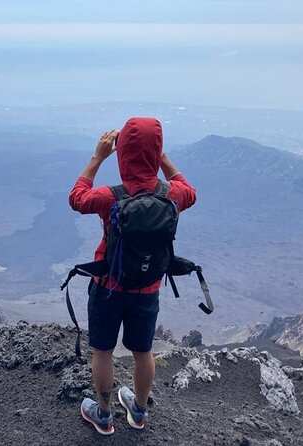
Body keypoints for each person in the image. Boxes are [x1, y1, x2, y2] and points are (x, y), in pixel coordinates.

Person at [68, 117, 197, 435]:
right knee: (143, 352)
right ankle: (138, 412)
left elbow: (77, 198)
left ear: (122, 153)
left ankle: (104, 414)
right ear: (157, 151)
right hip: (148, 289)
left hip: (108, 288)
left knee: (102, 351)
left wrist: (97, 157)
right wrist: (163, 159)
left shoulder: (111, 197)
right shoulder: (172, 195)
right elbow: (190, 191)